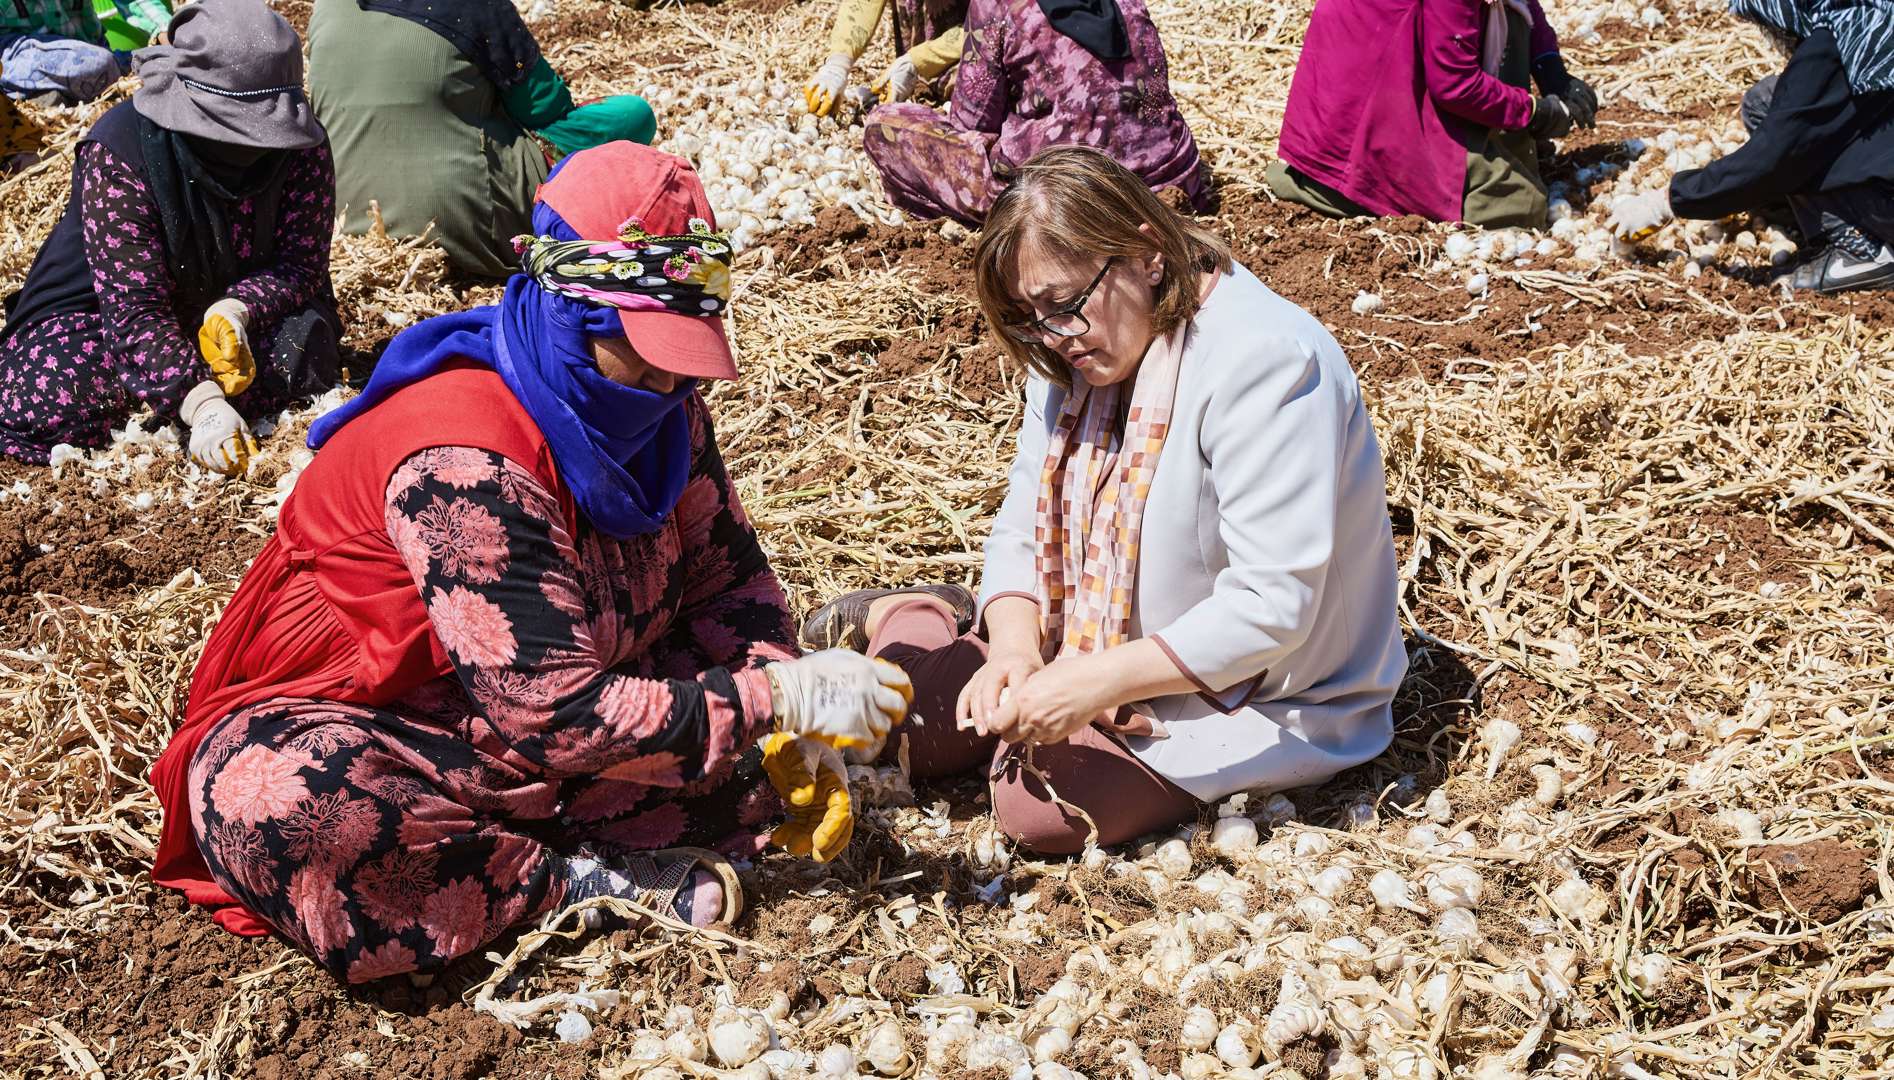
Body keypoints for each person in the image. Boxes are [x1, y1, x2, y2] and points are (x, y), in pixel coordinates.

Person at [147, 140, 914, 983]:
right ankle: (572, 885)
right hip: (398, 723)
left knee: (751, 754)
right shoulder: (462, 465)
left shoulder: (662, 408)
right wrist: (775, 700)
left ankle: (567, 829)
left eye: (686, 356)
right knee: (287, 811)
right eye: (648, 350)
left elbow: (730, 579)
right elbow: (553, 714)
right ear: (572, 313)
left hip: (569, 709)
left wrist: (782, 706)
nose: (669, 383)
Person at [804, 146, 1408, 853]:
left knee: (1043, 805)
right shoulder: (1072, 348)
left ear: (1145, 254)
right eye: (1029, 315)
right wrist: (1014, 650)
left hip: (1270, 693)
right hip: (1094, 650)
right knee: (907, 726)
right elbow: (1025, 520)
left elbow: (1272, 606)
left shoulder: (1265, 363)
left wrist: (1091, 682)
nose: (1053, 336)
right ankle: (915, 614)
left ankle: (957, 643)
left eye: (1065, 305)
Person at [0, 0, 341, 472]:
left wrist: (237, 309)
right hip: (103, 314)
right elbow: (133, 308)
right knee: (55, 396)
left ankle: (171, 391)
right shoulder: (121, 150)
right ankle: (178, 394)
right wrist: (202, 402)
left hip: (233, 307)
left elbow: (300, 263)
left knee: (303, 352)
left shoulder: (302, 147)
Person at [308, 0, 659, 279]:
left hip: (343, 216)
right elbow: (545, 109)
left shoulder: (326, 7)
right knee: (633, 115)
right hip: (467, 223)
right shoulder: (475, 5)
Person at [1608, 0, 1894, 293]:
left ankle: (1862, 252)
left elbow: (1774, 158)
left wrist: (1670, 200)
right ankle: (1802, 207)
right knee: (1765, 101)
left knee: (1795, 149)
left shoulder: (1836, 44)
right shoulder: (1874, 18)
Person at [863, 0, 1211, 228]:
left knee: (883, 127)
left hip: (1080, 201)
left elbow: (970, 122)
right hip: (1178, 176)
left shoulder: (996, 5)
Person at [1269, 0, 1599, 229]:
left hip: (1409, 53)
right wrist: (1533, 112)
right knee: (1514, 206)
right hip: (1372, 84)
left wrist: (1548, 64)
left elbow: (1520, 6)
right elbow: (1455, 84)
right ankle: (1351, 180)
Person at [804, 0, 969, 116]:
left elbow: (983, 29)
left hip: (973, 51)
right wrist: (839, 62)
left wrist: (921, 59)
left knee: (971, 92)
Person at [0, 0, 122, 103]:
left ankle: (54, 90)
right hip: (19, 52)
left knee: (105, 66)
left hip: (89, 43)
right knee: (102, 66)